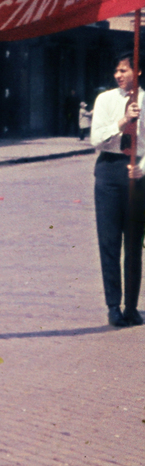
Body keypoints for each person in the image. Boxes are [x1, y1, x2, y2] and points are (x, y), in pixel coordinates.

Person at [88, 54, 145, 328]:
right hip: (109, 171)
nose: (118, 75)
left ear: (138, 71)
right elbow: (96, 139)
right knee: (109, 241)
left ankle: (131, 307)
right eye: (116, 71)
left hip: (136, 174)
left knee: (133, 244)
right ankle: (113, 306)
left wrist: (142, 168)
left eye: (124, 70)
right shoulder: (105, 100)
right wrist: (123, 121)